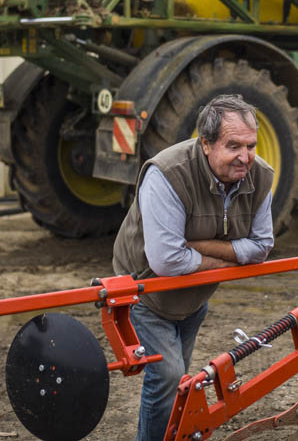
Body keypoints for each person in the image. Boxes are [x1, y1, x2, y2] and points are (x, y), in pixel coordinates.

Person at [112, 94, 275, 441]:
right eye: (233, 146)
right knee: (168, 375)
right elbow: (166, 261)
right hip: (145, 291)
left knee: (178, 379)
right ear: (205, 143)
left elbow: (262, 247)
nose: (245, 157)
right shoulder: (168, 174)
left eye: (250, 145)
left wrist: (198, 247)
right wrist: (230, 256)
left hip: (193, 299)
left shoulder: (260, 176)